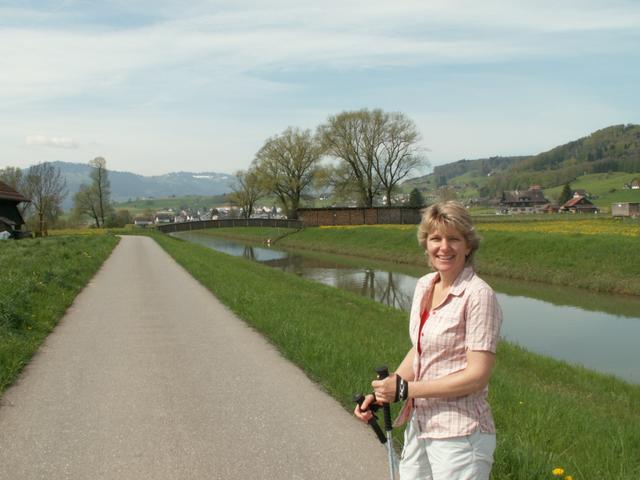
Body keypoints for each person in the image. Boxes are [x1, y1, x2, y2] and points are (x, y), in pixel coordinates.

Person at [354, 201, 502, 480]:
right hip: (421, 425)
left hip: (460, 435)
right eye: (436, 238)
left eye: (454, 239)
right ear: (426, 244)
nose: (444, 247)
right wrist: (386, 392)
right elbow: (421, 350)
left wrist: (405, 390)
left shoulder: (478, 295)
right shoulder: (425, 285)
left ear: (468, 246)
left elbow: (477, 376)